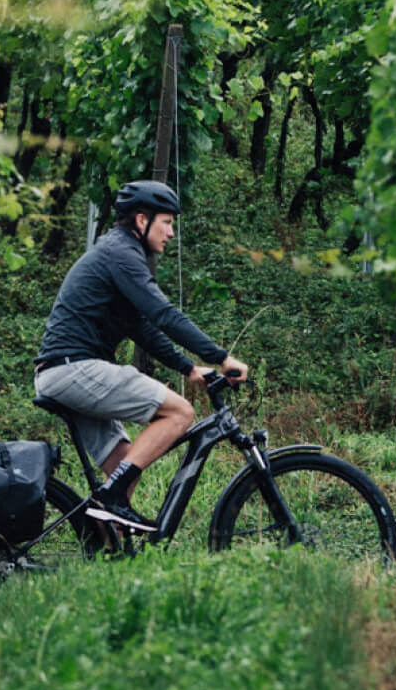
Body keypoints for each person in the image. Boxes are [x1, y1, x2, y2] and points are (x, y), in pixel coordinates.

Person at [33, 179, 248, 533]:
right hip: (74, 368)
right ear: (140, 220)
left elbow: (142, 328)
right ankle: (110, 501)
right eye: (167, 221)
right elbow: (164, 315)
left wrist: (188, 366)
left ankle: (106, 551)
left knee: (124, 471)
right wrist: (221, 356)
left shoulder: (119, 254)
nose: (171, 233)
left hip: (65, 372)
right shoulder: (122, 254)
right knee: (180, 412)